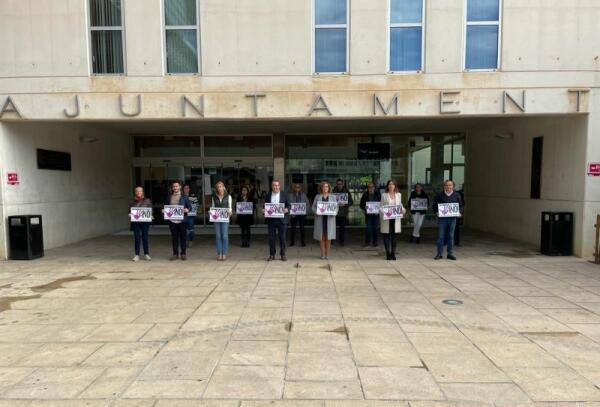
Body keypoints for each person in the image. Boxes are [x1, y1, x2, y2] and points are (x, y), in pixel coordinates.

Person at [433, 180, 464, 261]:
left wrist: (460, 212)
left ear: (453, 186)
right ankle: (439, 254)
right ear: (444, 186)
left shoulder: (457, 195)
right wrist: (436, 212)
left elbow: (460, 205)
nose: (448, 187)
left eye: (450, 185)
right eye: (446, 185)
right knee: (441, 237)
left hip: (452, 219)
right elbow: (434, 205)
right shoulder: (439, 195)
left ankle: (450, 254)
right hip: (442, 219)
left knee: (451, 236)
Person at [164, 181, 192, 261]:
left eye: (176, 186)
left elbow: (190, 207)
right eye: (174, 186)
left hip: (182, 221)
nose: (175, 188)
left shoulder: (184, 197)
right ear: (172, 188)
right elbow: (165, 207)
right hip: (172, 221)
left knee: (183, 237)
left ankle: (183, 253)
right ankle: (175, 254)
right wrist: (163, 210)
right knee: (174, 238)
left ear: (179, 187)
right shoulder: (169, 197)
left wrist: (187, 209)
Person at [264, 180, 290, 261]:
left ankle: (283, 254)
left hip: (281, 220)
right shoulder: (268, 195)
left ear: (279, 186)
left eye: (276, 185)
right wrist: (263, 210)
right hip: (271, 220)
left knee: (282, 237)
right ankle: (272, 254)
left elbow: (289, 205)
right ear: (271, 186)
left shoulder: (284, 195)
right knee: (271, 238)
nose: (275, 187)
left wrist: (287, 209)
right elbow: (265, 206)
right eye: (273, 185)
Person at [380, 179, 406, 260]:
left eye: (393, 184)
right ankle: (388, 253)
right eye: (390, 184)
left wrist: (403, 210)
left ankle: (393, 253)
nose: (391, 186)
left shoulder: (399, 195)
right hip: (387, 219)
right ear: (388, 186)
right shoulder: (384, 195)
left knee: (394, 237)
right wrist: (383, 211)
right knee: (386, 236)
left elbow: (400, 205)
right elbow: (381, 206)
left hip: (395, 219)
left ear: (395, 186)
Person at [312, 181, 337, 260]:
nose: (325, 188)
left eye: (326, 187)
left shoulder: (333, 197)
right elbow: (313, 207)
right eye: (323, 187)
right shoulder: (317, 196)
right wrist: (317, 212)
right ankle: (322, 254)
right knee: (321, 237)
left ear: (329, 188)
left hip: (329, 219)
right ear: (321, 188)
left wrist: (334, 213)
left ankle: (327, 254)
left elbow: (336, 208)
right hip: (320, 219)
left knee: (328, 237)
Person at [129, 186, 152, 262]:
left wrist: (151, 215)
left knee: (145, 237)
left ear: (143, 192)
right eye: (137, 191)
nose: (139, 192)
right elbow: (129, 211)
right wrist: (129, 214)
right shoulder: (132, 201)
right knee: (137, 238)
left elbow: (151, 210)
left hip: (145, 222)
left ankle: (146, 254)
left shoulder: (147, 200)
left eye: (140, 191)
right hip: (136, 223)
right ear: (135, 192)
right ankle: (137, 255)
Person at [212, 181, 232, 260]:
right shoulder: (214, 197)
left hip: (225, 218)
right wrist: (211, 211)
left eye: (221, 186)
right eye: (218, 187)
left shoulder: (228, 196)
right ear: (216, 188)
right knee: (218, 236)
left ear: (224, 187)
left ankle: (224, 253)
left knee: (224, 236)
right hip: (216, 219)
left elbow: (230, 207)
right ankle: (219, 253)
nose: (219, 188)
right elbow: (213, 207)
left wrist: (230, 212)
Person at [359, 181, 381, 247]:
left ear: (374, 187)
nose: (370, 188)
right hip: (368, 215)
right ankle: (367, 242)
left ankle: (375, 242)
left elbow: (381, 203)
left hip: (376, 214)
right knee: (368, 229)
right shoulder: (365, 194)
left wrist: (379, 209)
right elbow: (361, 205)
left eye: (372, 187)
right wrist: (364, 207)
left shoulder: (378, 194)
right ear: (367, 188)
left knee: (375, 228)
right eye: (369, 187)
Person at [333, 178, 353, 246]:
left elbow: (351, 202)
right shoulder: (333, 191)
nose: (339, 185)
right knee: (333, 228)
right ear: (336, 184)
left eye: (340, 184)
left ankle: (341, 241)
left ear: (343, 184)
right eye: (338, 184)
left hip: (343, 213)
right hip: (334, 213)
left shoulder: (346, 191)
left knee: (342, 228)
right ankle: (332, 240)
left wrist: (345, 204)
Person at [288, 183, 310, 247]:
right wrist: (290, 212)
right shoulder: (290, 195)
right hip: (293, 215)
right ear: (294, 188)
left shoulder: (303, 195)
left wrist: (306, 212)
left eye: (298, 187)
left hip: (302, 215)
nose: (297, 188)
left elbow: (307, 204)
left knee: (302, 229)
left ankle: (303, 242)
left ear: (300, 188)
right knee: (293, 229)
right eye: (296, 187)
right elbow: (288, 205)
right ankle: (292, 242)